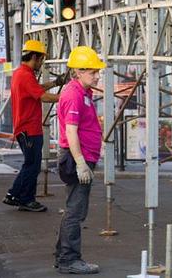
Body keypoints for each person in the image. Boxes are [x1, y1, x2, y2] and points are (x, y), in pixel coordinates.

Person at [54, 46, 106, 274]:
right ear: (78, 71)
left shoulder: (82, 92)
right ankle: (69, 260)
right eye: (92, 71)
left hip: (80, 157)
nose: (97, 75)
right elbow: (72, 131)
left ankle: (63, 256)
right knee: (76, 211)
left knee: (72, 209)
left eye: (97, 71)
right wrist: (81, 162)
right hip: (77, 159)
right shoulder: (74, 95)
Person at [2, 39, 62, 212]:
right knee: (32, 165)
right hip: (29, 129)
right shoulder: (25, 75)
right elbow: (43, 96)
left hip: (26, 128)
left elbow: (36, 88)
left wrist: (56, 84)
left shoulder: (22, 73)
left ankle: (15, 195)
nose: (41, 62)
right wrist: (67, 96)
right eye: (41, 59)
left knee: (31, 164)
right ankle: (24, 199)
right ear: (34, 56)